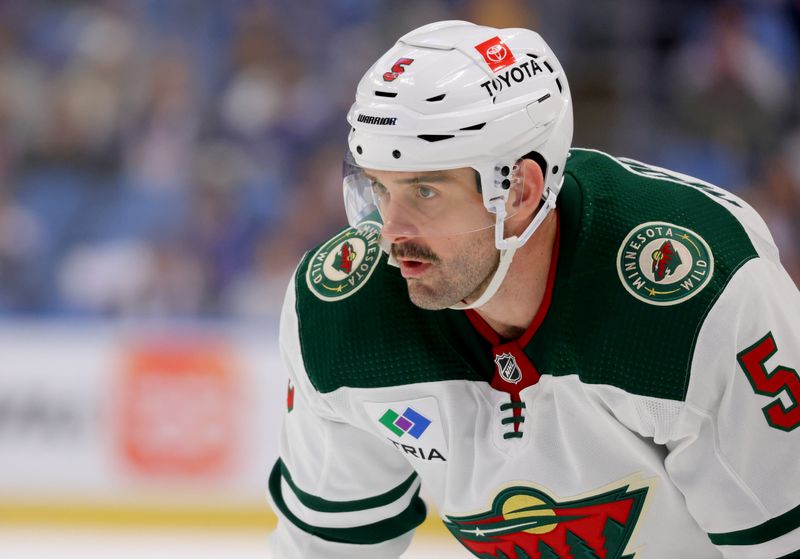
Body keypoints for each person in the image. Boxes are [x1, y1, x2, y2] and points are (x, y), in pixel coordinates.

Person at [267, 20, 800, 559]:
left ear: (520, 191)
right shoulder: (339, 314)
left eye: (425, 191)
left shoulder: (701, 299)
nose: (390, 233)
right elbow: (322, 549)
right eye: (378, 188)